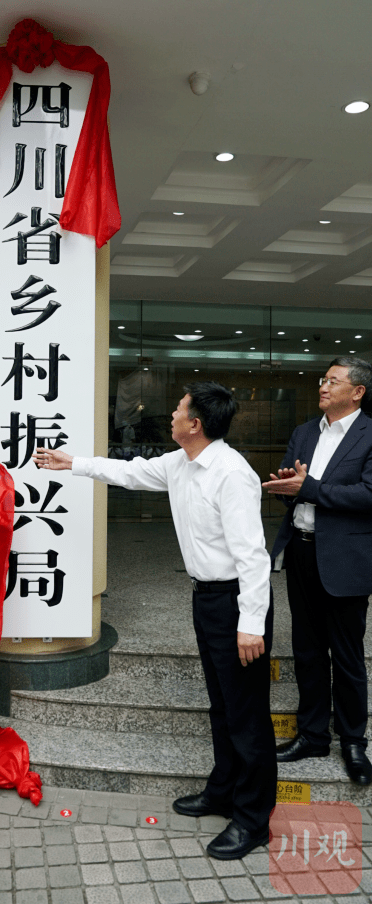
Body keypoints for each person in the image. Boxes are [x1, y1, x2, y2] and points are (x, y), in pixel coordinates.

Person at [33, 381, 275, 860]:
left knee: (246, 716)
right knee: (222, 707)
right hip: (206, 599)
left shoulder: (231, 473)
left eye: (178, 408)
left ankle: (253, 820)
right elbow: (130, 471)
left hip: (235, 604)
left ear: (196, 423)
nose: (171, 415)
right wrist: (71, 463)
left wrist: (252, 622)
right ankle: (221, 790)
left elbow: (253, 556)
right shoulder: (181, 463)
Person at [264, 357, 372, 785]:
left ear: (358, 391)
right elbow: (296, 491)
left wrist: (308, 488)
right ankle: (311, 735)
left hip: (345, 560)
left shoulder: (369, 434)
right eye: (323, 379)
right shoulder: (305, 432)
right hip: (302, 553)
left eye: (333, 381)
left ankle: (352, 741)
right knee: (307, 650)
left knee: (346, 655)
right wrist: (287, 487)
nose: (323, 386)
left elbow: (368, 494)